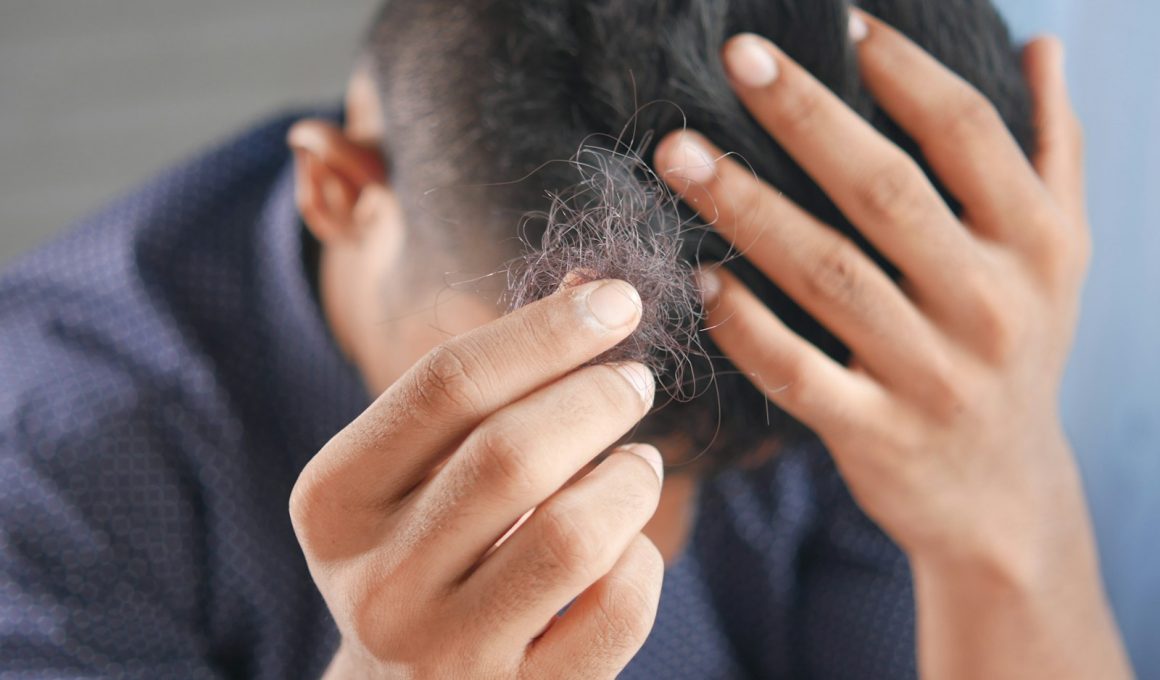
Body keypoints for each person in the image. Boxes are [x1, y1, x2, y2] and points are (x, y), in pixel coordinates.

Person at [0, 2, 1134, 679]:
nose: (636, 549)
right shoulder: (42, 469)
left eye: (719, 466)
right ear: (341, 190)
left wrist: (1004, 511)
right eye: (545, 396)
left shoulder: (841, 358)